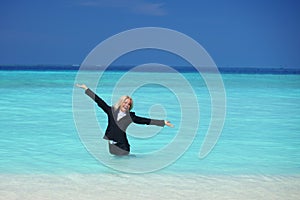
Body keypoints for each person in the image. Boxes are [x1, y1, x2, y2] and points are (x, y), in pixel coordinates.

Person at [76, 84, 174, 156]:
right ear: (121, 102)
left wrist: (163, 122)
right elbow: (99, 102)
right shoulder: (111, 111)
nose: (126, 105)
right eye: (125, 103)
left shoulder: (130, 117)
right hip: (112, 146)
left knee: (123, 166)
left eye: (129, 104)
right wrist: (87, 89)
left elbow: (144, 121)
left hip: (123, 146)